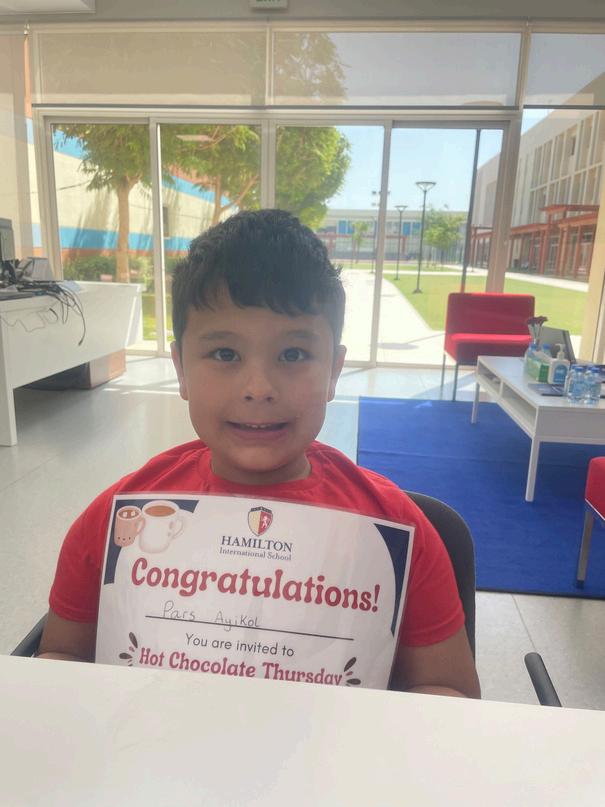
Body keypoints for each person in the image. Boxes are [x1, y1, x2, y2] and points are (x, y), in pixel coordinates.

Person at [39, 209, 480, 699]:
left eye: (293, 354)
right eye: (225, 354)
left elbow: (451, 693)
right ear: (181, 369)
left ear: (334, 371)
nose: (258, 387)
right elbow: (59, 662)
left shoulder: (395, 528)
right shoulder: (117, 522)